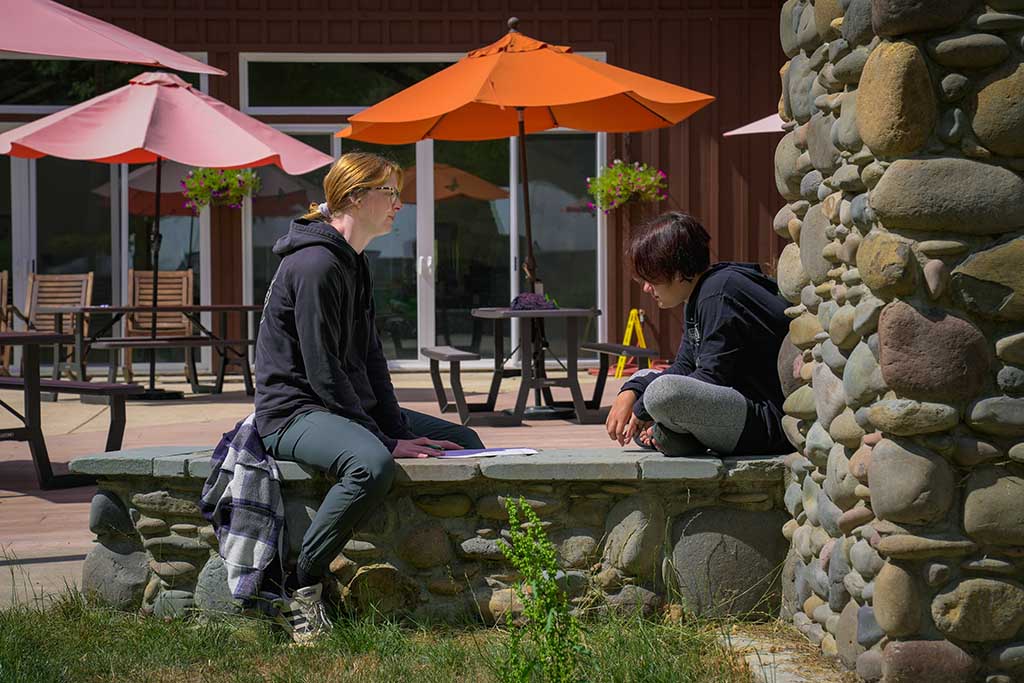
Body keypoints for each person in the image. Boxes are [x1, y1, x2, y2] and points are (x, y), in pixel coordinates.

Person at [254, 152, 484, 642]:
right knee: (371, 464)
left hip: (339, 404)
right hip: (294, 412)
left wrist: (395, 428)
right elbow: (320, 371)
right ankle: (301, 586)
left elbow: (372, 359)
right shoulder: (315, 265)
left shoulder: (352, 261)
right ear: (356, 197)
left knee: (463, 438)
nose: (400, 204)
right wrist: (380, 438)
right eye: (390, 193)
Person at [605, 211, 790, 458]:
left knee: (662, 395)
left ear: (678, 268)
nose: (647, 287)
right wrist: (630, 391)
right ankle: (670, 434)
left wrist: (641, 411)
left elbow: (712, 377)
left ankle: (671, 433)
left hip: (767, 421)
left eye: (651, 277)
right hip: (736, 408)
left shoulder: (720, 292)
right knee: (644, 380)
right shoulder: (698, 295)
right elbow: (684, 366)